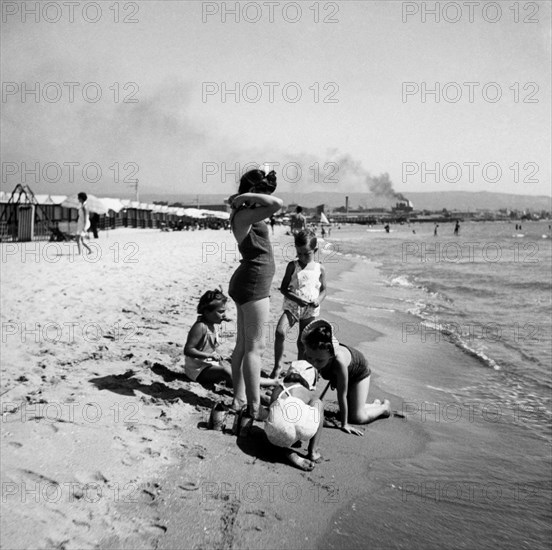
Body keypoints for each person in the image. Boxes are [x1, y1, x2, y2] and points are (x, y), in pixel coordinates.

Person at [228, 169, 283, 422]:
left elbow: (272, 202)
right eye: (261, 192)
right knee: (255, 348)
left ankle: (239, 399)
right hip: (253, 283)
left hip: (250, 280)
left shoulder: (245, 211)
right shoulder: (246, 213)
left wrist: (244, 196)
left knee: (242, 346)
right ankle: (254, 406)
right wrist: (245, 196)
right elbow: (278, 204)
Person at [301, 319, 390, 436]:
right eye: (310, 358)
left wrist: (344, 424)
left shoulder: (339, 362)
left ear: (331, 356)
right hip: (339, 374)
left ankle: (384, 407)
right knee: (353, 406)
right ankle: (372, 405)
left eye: (319, 361)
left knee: (357, 417)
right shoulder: (310, 354)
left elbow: (342, 394)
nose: (314, 363)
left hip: (358, 373)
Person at [270, 230, 326, 379]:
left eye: (306, 254)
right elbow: (283, 288)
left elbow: (324, 290)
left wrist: (318, 300)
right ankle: (277, 366)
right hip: (293, 307)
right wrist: (296, 299)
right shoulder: (293, 266)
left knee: (303, 343)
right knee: (280, 332)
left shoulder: (320, 268)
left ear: (315, 250)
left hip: (310, 311)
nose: (301, 257)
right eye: (299, 253)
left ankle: (300, 370)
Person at [264, 361, 323, 471]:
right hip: (304, 429)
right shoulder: (309, 392)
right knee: (318, 403)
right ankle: (313, 451)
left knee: (276, 422)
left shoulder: (278, 388)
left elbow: (272, 411)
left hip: (277, 431)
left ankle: (283, 449)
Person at [184, 289, 233, 386]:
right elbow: (188, 350)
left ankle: (268, 383)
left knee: (237, 369)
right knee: (226, 371)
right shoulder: (200, 327)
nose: (224, 315)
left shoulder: (210, 323)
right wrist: (209, 356)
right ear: (206, 312)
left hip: (208, 364)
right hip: (198, 370)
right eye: (220, 312)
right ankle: (252, 394)